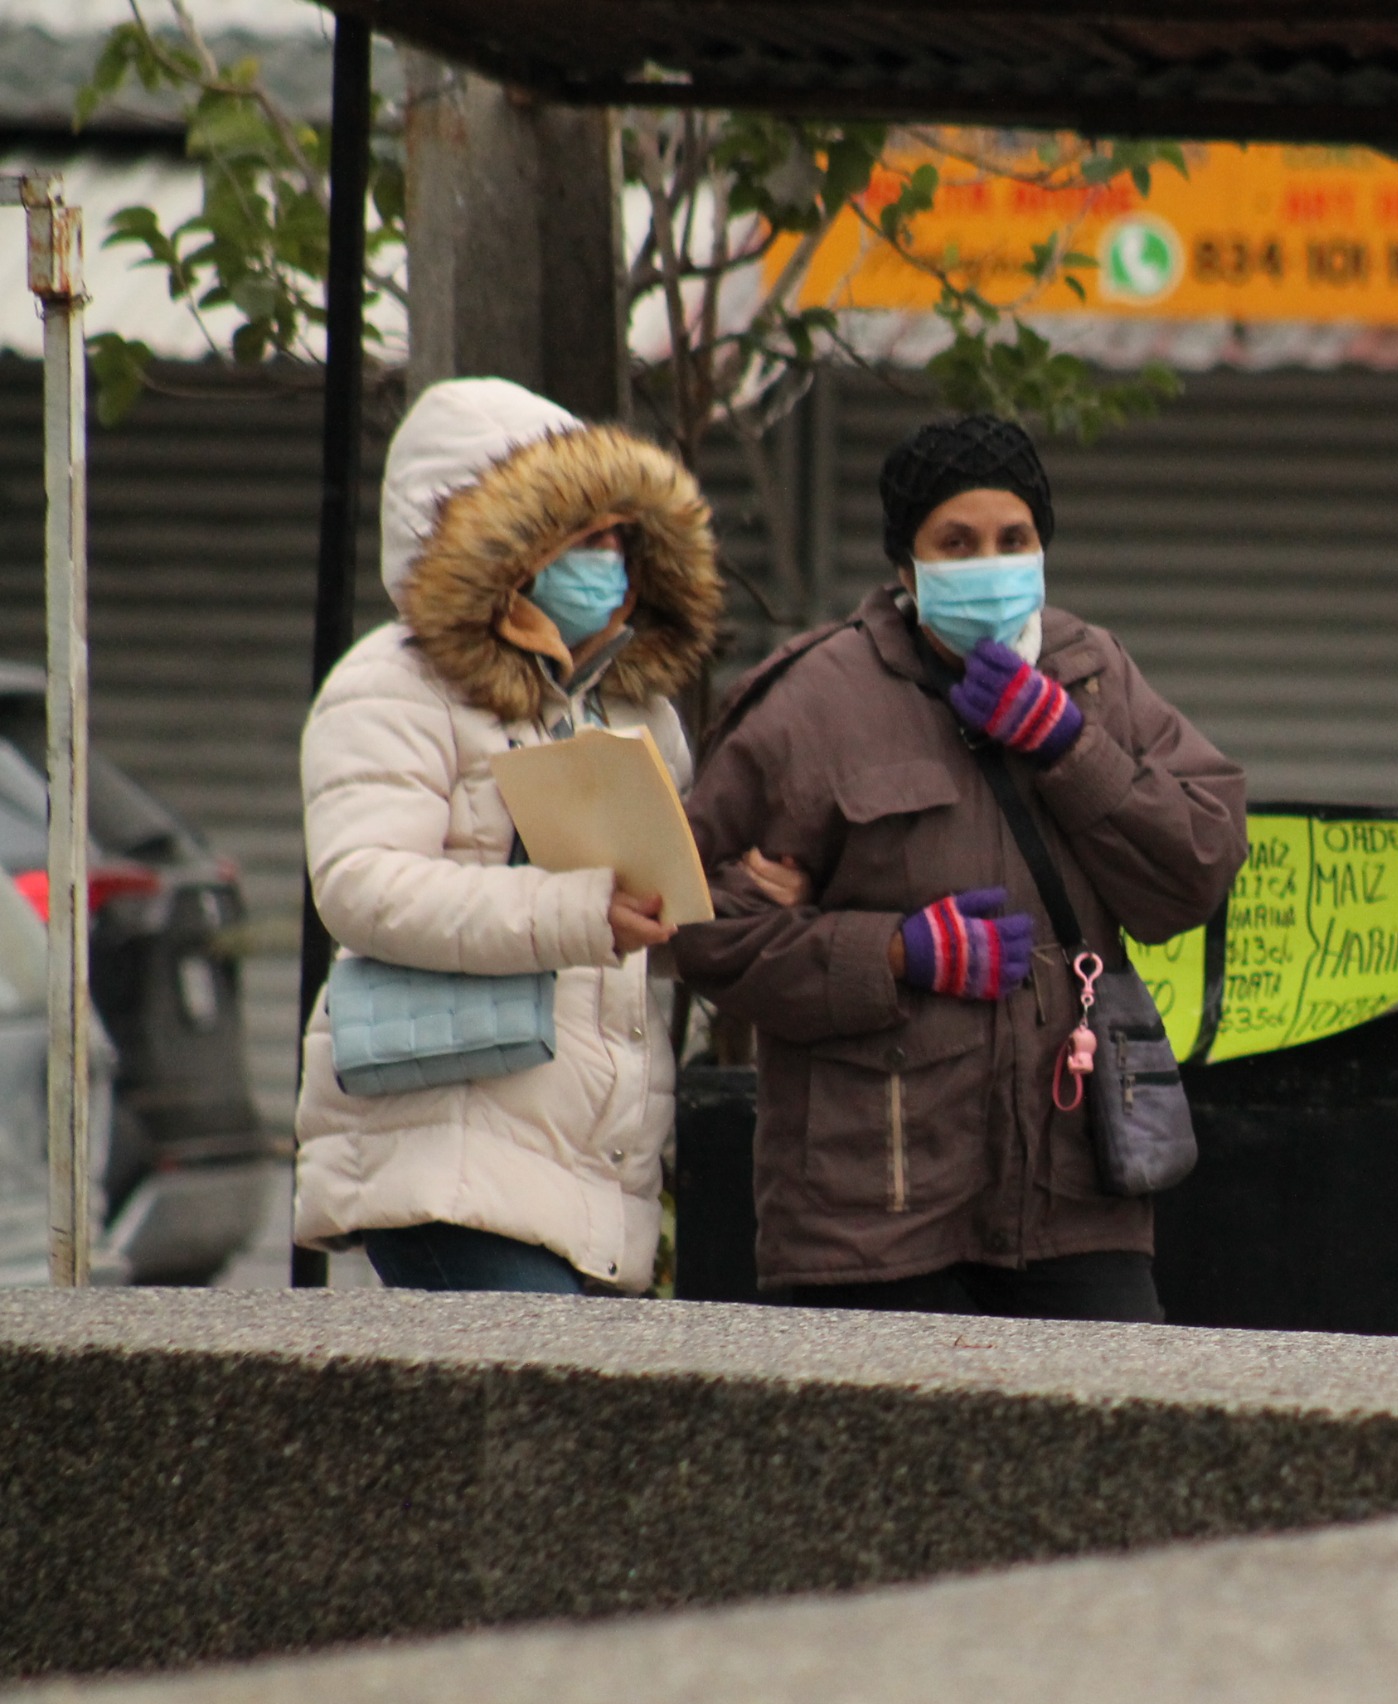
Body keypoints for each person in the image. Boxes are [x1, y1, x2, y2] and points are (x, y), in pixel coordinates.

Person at [675, 415, 1247, 1321]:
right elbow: (688, 918)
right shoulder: (815, 702)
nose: (990, 564)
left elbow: (1198, 866)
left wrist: (1071, 744)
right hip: (870, 1216)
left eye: (1013, 540)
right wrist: (893, 954)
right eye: (957, 542)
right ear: (906, 566)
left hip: (1076, 1205)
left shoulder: (1095, 677)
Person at [294, 377, 723, 1293]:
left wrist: (719, 902)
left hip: (594, 1174)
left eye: (618, 536)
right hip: (447, 1167)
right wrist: (578, 910)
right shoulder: (393, 684)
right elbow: (362, 886)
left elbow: (660, 909)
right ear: (497, 538)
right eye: (581, 537)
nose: (608, 560)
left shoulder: (632, 703)